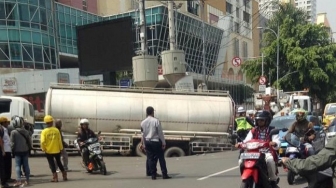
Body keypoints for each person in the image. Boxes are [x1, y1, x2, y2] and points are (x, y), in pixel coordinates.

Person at [235, 110, 280, 188]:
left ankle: (273, 180)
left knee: (269, 161)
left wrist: (274, 143)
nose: (260, 122)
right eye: (258, 120)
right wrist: (240, 144)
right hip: (253, 152)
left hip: (266, 152)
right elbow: (246, 141)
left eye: (262, 120)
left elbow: (277, 142)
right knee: (241, 160)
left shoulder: (272, 130)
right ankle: (246, 175)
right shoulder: (253, 130)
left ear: (267, 120)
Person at [141, 106, 171, 180]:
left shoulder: (142, 122)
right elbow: (160, 133)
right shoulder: (156, 121)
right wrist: (163, 142)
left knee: (150, 158)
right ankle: (164, 174)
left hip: (147, 141)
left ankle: (153, 175)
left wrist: (143, 144)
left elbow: (142, 134)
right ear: (152, 112)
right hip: (155, 141)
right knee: (161, 158)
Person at [40, 115, 67, 182]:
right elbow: (59, 140)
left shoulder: (44, 131)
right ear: (52, 122)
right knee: (59, 162)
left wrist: (43, 148)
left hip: (48, 151)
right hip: (57, 150)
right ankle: (64, 175)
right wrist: (61, 148)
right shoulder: (56, 130)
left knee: (52, 163)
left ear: (45, 123)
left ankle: (55, 177)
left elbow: (42, 141)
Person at [10, 116, 31, 187]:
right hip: (25, 150)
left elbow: (12, 143)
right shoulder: (26, 131)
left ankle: (19, 180)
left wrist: (12, 150)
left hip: (17, 151)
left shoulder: (13, 132)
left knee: (17, 166)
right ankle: (27, 180)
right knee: (26, 165)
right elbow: (29, 141)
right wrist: (29, 148)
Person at [0, 117, 14, 186]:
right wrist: (3, 150)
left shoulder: (5, 130)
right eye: (6, 122)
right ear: (3, 123)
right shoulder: (2, 129)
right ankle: (5, 179)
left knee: (8, 165)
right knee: (5, 165)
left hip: (8, 149)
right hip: (5, 150)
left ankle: (8, 177)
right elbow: (1, 140)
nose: (7, 123)